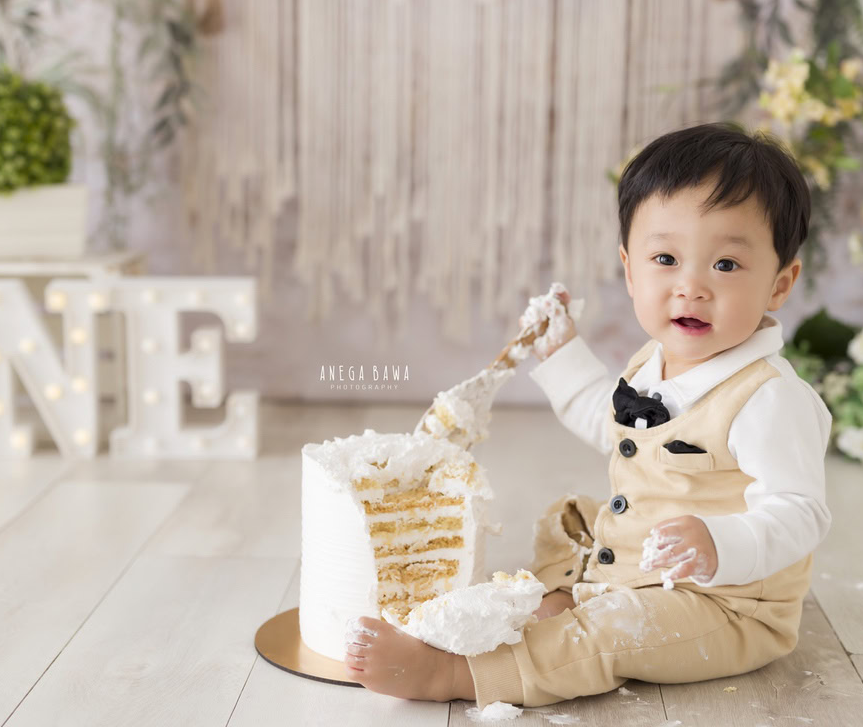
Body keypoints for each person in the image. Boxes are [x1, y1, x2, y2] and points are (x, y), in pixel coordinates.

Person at [343, 122, 833, 709]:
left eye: (726, 265)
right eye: (666, 258)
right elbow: (612, 425)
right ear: (630, 270)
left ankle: (458, 676)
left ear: (780, 285)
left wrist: (720, 542)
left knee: (617, 629)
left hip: (721, 602)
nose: (691, 287)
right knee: (571, 518)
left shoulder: (768, 397)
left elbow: (801, 512)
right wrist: (561, 351)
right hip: (640, 563)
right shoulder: (656, 361)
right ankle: (558, 604)